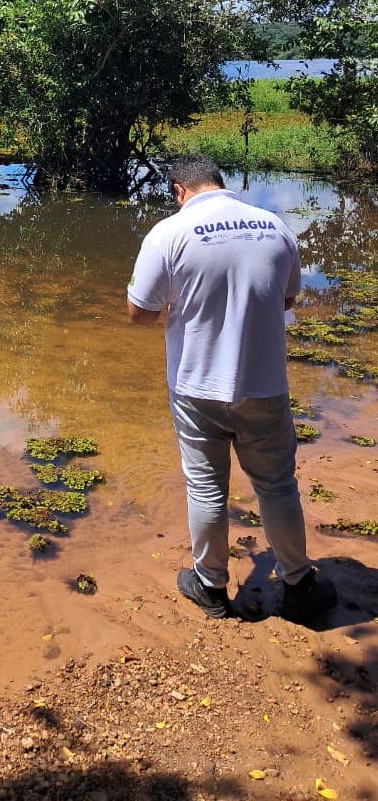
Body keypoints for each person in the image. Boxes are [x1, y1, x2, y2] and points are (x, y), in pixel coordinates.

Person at [126, 153, 337, 624]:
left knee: (206, 487)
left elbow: (139, 311)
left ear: (180, 191)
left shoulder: (168, 233)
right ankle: (300, 584)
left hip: (196, 387)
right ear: (220, 183)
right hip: (264, 386)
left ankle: (211, 588)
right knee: (278, 485)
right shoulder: (273, 225)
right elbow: (287, 297)